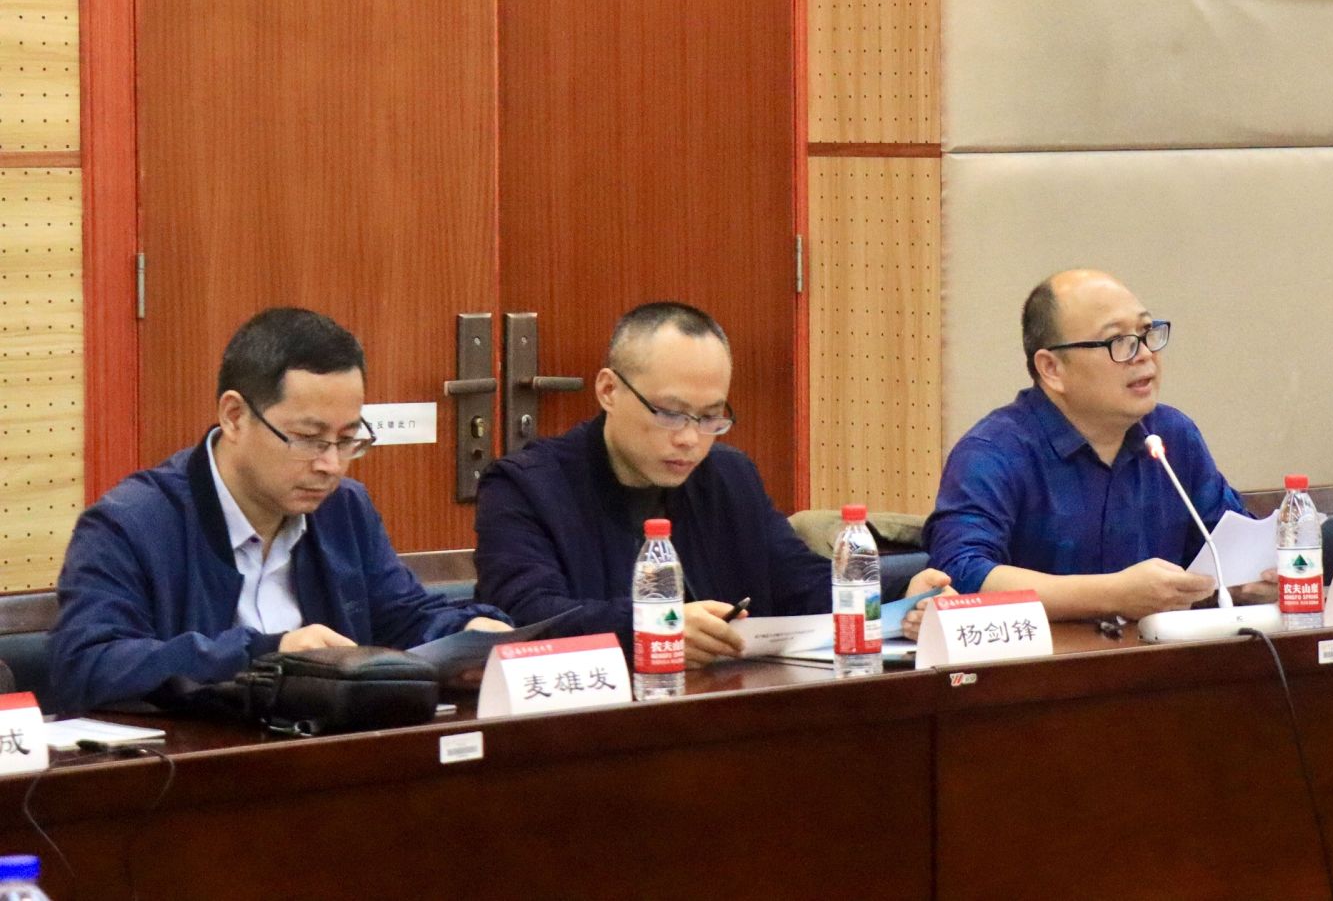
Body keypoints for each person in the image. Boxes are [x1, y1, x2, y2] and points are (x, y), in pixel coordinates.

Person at [49, 308, 510, 715]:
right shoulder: (131, 522)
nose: (331, 465)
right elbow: (87, 665)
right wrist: (270, 656)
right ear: (234, 416)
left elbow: (402, 617)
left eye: (347, 439)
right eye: (308, 438)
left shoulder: (344, 509)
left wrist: (467, 633)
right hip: (198, 769)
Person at [475, 302, 948, 667]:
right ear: (609, 391)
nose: (689, 439)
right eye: (669, 413)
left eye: (709, 418)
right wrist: (654, 628)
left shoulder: (729, 476)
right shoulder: (525, 487)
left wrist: (901, 593)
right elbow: (524, 616)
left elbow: (799, 585)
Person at [925, 269, 1261, 622]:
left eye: (1146, 333)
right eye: (1118, 341)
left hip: (1165, 653)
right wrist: (1113, 595)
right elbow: (959, 574)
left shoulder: (1172, 436)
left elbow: (1230, 547)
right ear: (1052, 368)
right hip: (1045, 656)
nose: (1144, 354)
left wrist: (1257, 579)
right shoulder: (992, 453)